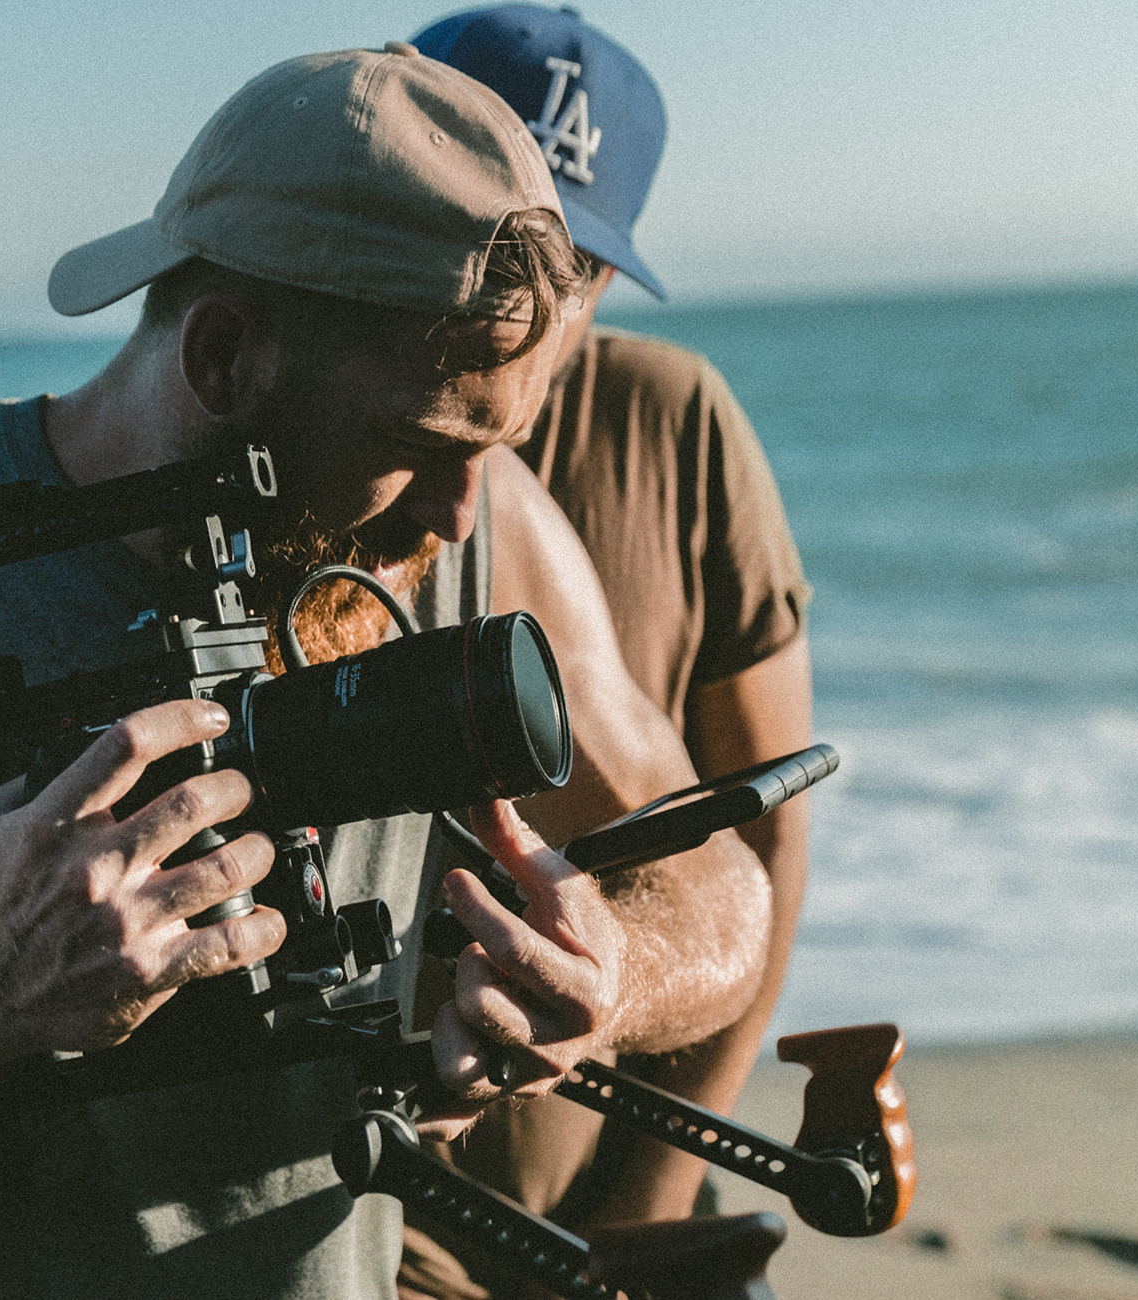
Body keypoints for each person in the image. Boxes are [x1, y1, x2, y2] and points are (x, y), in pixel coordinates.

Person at [0, 45, 773, 1300]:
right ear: (222, 355)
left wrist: (608, 974)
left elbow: (720, 885)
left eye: (496, 443)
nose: (454, 520)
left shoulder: (486, 522)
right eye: (413, 442)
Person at [395, 9, 815, 1297]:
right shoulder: (325, 429)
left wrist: (648, 1197)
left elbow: (765, 832)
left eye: (565, 263)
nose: (517, 305)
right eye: (481, 237)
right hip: (363, 1185)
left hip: (611, 1176)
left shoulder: (676, 423)